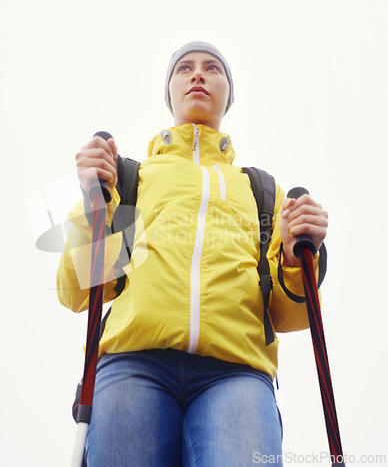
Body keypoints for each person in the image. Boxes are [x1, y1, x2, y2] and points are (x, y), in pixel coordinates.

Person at [57, 41, 328, 466]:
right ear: (170, 93)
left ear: (228, 93)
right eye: (185, 68)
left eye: (212, 68)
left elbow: (287, 313)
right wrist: (94, 198)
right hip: (133, 362)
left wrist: (295, 258)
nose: (198, 74)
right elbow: (81, 289)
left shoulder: (262, 192)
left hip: (238, 371)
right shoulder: (131, 179)